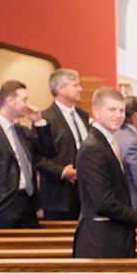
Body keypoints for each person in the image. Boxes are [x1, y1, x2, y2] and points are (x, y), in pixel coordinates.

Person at [73, 87, 137, 258]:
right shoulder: (93, 148)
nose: (118, 115)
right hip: (100, 241)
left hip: (111, 237)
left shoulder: (107, 142)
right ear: (96, 111)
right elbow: (103, 202)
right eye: (112, 109)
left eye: (121, 110)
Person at [0, 80, 55, 229]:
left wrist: (39, 121)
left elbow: (47, 150)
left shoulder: (22, 131)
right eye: (24, 100)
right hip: (5, 205)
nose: (27, 104)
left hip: (29, 202)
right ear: (9, 100)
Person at [35, 68, 89, 220]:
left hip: (85, 193)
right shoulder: (45, 118)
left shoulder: (82, 115)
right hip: (59, 196)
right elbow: (38, 158)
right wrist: (63, 172)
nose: (80, 89)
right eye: (75, 85)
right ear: (60, 88)